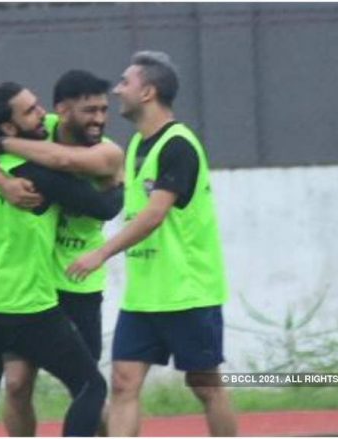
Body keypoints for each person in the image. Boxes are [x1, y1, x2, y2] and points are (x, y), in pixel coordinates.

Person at [66, 51, 238, 436]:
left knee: (204, 384)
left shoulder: (179, 145)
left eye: (125, 82)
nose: (117, 91)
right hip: (144, 295)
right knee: (124, 382)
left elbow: (155, 213)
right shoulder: (138, 149)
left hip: (187, 291)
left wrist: (101, 253)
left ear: (148, 92)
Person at [0, 70, 122, 436]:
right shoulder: (37, 174)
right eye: (31, 111)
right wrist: (119, 190)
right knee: (88, 387)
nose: (41, 113)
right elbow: (101, 205)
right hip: (25, 299)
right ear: (9, 128)